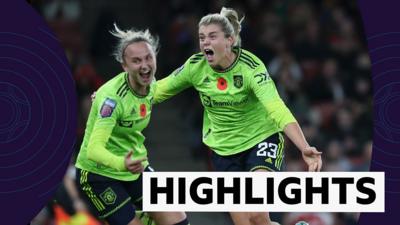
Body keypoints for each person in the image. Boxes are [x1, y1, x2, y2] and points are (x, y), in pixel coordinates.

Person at [154, 7, 322, 225]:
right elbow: (156, 92)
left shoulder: (251, 68)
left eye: (212, 37)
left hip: (261, 139)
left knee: (257, 213)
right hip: (224, 150)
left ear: (230, 40)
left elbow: (277, 108)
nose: (205, 43)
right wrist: (114, 95)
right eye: (202, 37)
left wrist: (304, 147)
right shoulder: (195, 67)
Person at [75, 24, 190, 225]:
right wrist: (121, 163)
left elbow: (182, 76)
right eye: (136, 61)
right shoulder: (111, 99)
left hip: (134, 168)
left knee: (177, 219)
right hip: (98, 174)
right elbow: (93, 149)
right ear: (124, 66)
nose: (144, 65)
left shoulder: (151, 87)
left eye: (148, 58)